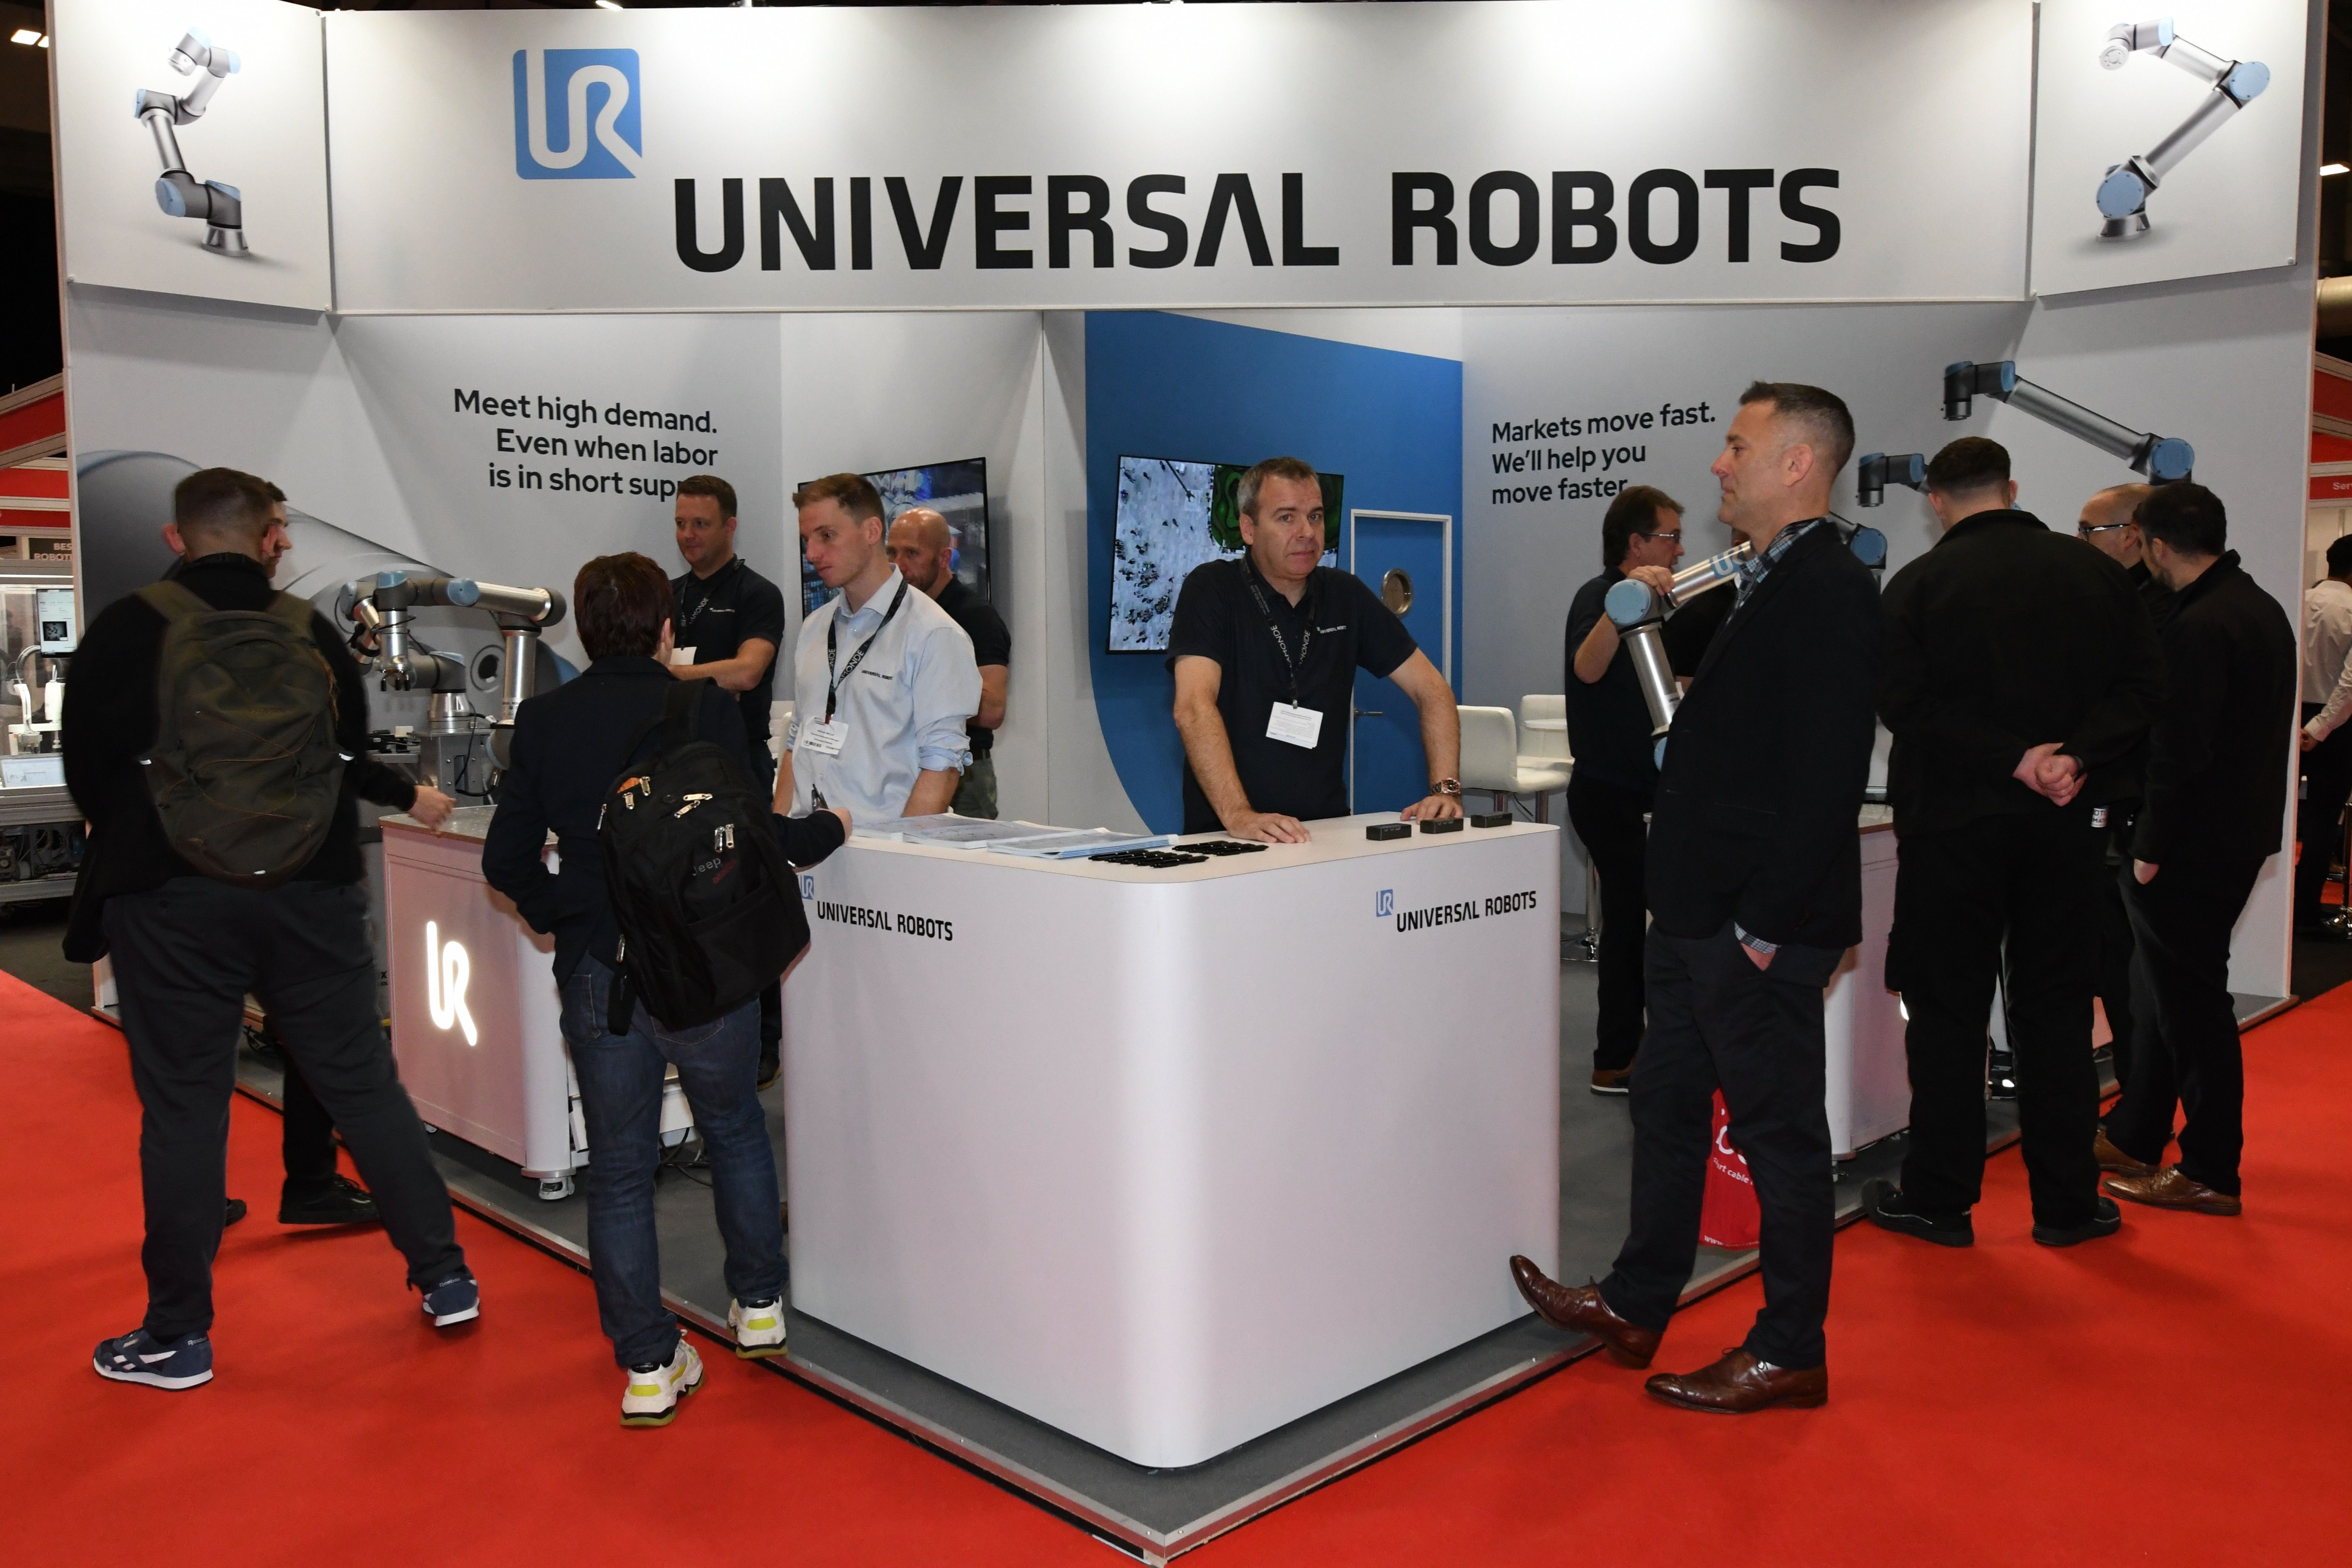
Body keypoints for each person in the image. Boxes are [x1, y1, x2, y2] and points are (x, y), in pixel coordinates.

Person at [1510, 382, 1880, 1413]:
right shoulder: (1763, 576)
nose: (1720, 463)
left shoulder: (1829, 587)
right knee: (1665, 1103)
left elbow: (1827, 773)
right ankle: (1637, 1300)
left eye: (1737, 445)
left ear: (1797, 463)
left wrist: (1764, 923)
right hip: (1696, 912)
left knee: (1778, 1131)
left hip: (1752, 922)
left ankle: (1789, 1348)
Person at [65, 467, 474, 1392]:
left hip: (169, 901)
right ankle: (445, 1274)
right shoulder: (311, 631)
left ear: (178, 537)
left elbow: (86, 766)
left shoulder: (127, 627)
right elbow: (346, 752)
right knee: (364, 1086)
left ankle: (178, 1334)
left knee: (185, 1109)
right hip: (311, 894)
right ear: (266, 537)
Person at [483, 553, 849, 1427]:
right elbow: (758, 832)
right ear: (664, 628)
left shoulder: (545, 720)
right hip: (703, 965)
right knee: (734, 1128)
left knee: (618, 1168)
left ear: (583, 627)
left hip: (598, 971)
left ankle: (648, 1365)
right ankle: (759, 1306)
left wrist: (562, 917)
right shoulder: (702, 704)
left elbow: (505, 859)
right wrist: (830, 830)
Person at [1863, 438, 2163, 1251]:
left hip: (1950, 826)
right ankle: (2065, 1205)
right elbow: (2143, 688)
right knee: (2056, 1008)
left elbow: (1902, 704)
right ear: (2011, 488)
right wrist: (2071, 758)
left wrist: (2008, 759)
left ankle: (1938, 1197)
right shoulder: (2095, 574)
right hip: (2064, 821)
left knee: (1945, 1011)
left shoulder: (1917, 585)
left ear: (1934, 500)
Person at [160, 483, 389, 1230]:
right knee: (317, 1036)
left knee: (197, 1059)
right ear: (256, 534)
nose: (286, 542)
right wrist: (404, 795)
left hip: (193, 874)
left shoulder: (150, 622)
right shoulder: (279, 623)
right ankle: (322, 1190)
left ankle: (210, 1203)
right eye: (279, 527)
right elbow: (339, 748)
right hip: (283, 871)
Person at [2103, 484, 2298, 1217]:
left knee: (2191, 1009)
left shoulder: (2199, 623)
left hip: (2191, 845)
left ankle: (2211, 1167)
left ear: (2154, 545)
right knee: (2159, 995)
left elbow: (2179, 752)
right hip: (2231, 834)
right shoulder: (2254, 605)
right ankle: (2137, 1134)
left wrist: (2149, 846)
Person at [1168, 457, 1463, 841]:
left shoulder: (1345, 595)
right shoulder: (1212, 590)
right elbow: (1193, 707)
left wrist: (1446, 791)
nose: (1307, 532)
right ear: (1249, 529)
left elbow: (1432, 689)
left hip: (1325, 831)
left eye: (1316, 516)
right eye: (1286, 518)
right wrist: (1239, 815)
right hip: (1229, 835)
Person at [667, 474, 790, 1087]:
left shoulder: (757, 594)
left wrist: (669, 674)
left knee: (747, 907)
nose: (689, 535)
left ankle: (766, 1042)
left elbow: (747, 672)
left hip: (739, 769)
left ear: (730, 526)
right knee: (681, 905)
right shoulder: (669, 595)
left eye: (701, 524)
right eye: (681, 524)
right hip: (674, 773)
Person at [1563, 485, 1686, 1094]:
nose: (1680, 548)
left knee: (1651, 923)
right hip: (1609, 794)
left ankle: (1649, 1049)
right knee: (1628, 925)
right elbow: (1588, 668)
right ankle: (1615, 1058)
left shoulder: (1663, 604)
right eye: (1670, 536)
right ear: (1636, 544)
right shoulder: (1600, 597)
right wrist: (1623, 605)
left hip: (1650, 792)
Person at [779, 473, 979, 824]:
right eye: (807, 540)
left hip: (880, 845)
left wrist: (900, 851)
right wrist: (776, 836)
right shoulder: (814, 628)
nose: (812, 554)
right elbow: (797, 742)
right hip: (804, 842)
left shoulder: (934, 633)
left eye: (827, 536)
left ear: (872, 531)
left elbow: (942, 766)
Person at [886, 507, 1010, 819]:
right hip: (906, 763)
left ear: (944, 557)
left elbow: (993, 710)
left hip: (963, 772)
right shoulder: (897, 613)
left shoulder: (975, 616)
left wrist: (916, 695)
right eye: (892, 553)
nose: (899, 565)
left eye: (912, 553)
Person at [2295, 535, 2352, 935]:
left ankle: (2279, 911)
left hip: (2293, 716)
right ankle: (2304, 912)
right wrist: (2323, 727)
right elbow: (2349, 684)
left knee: (2279, 813)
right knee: (2321, 820)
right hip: (2336, 725)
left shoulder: (2298, 600)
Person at [2077, 482, 2175, 629]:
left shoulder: (2159, 609)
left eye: (2087, 530)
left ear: (2129, 536)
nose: (2078, 539)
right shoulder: (2112, 593)